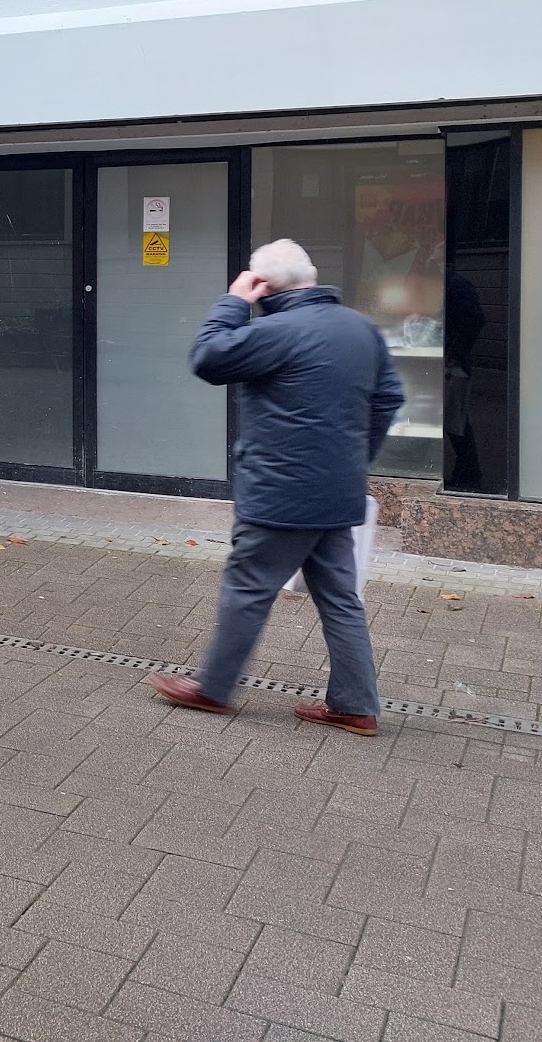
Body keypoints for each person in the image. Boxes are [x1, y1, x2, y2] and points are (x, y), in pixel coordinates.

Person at [149, 238, 404, 736]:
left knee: (247, 588)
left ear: (264, 283)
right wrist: (352, 460)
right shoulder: (361, 328)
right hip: (337, 492)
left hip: (280, 495)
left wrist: (234, 301)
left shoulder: (275, 330)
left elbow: (207, 357)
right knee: (339, 597)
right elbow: (388, 399)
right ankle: (355, 705)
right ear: (311, 276)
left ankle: (214, 689)